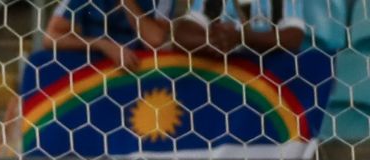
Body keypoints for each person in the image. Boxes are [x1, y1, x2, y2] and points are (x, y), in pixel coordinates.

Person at [44, 0, 174, 68]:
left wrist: (127, 2)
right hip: (93, 65)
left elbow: (155, 41)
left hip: (138, 67)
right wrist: (103, 45)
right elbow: (50, 38)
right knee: (40, 59)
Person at [174, 0, 307, 55]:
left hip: (272, 83)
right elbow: (182, 36)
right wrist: (219, 42)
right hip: (225, 82)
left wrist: (240, 38)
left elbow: (293, 36)